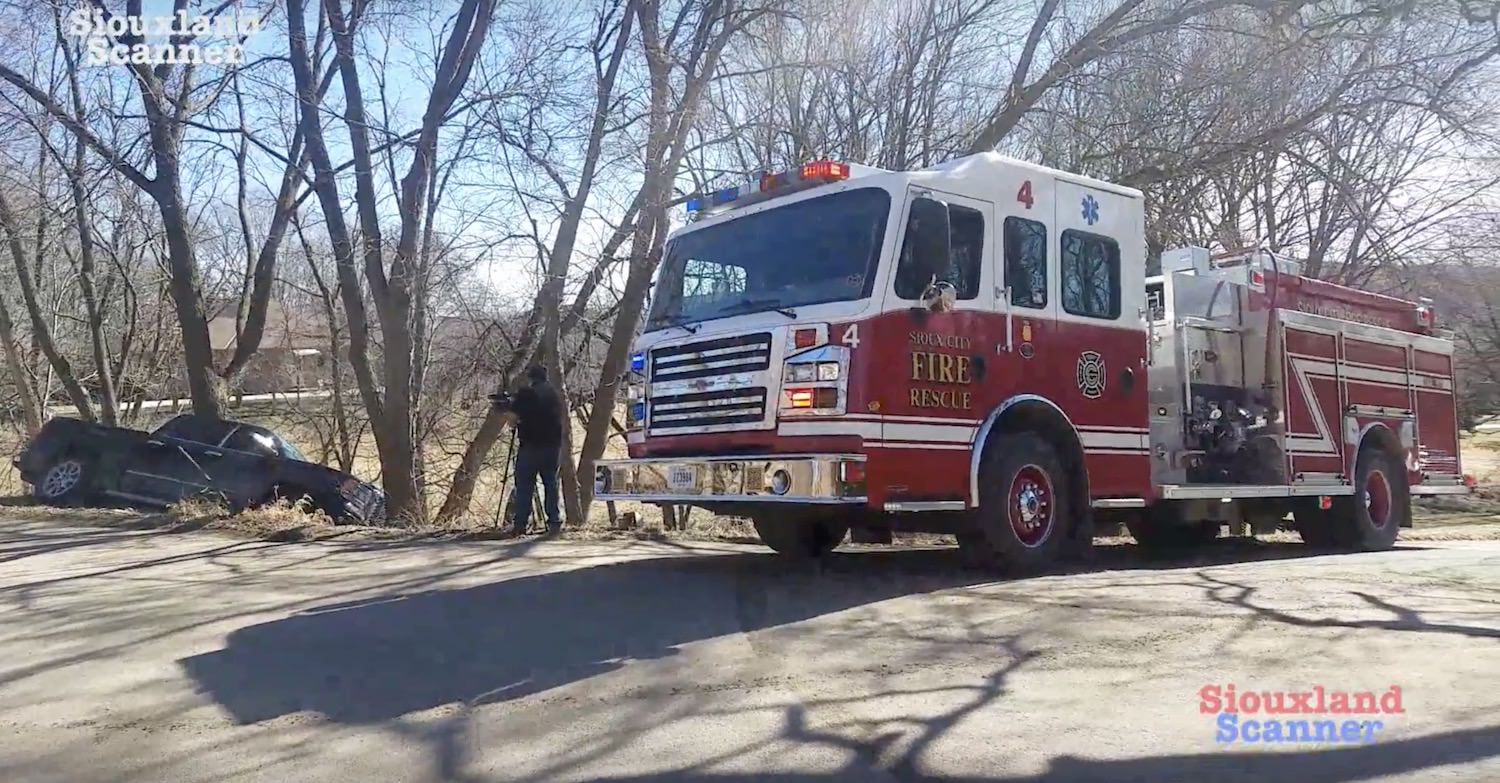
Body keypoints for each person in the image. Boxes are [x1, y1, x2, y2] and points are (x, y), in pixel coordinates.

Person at [493, 364, 564, 536]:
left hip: (530, 446)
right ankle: (554, 523)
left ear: (531, 378)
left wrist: (505, 406)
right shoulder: (553, 394)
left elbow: (513, 418)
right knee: (550, 485)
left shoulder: (527, 394)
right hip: (552, 447)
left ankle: (520, 524)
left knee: (524, 486)